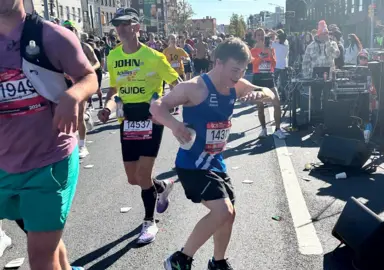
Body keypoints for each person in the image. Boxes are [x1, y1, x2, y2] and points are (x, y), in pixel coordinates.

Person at [150, 37, 279, 270]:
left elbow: (269, 91)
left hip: (216, 163)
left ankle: (218, 263)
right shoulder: (194, 87)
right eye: (234, 70)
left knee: (229, 214)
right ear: (218, 62)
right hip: (192, 164)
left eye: (242, 70)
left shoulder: (235, 86)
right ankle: (180, 259)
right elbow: (157, 106)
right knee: (223, 210)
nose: (238, 76)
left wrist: (260, 94)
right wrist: (175, 125)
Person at [0, 0, 98, 268]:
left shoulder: (51, 35)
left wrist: (73, 95)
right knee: (43, 241)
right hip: (3, 164)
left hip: (49, 161)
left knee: (41, 256)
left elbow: (89, 76)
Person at [97, 7, 179, 245]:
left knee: (143, 174)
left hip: (151, 118)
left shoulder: (155, 57)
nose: (120, 29)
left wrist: (166, 107)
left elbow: (178, 85)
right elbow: (115, 91)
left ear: (136, 27)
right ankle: (162, 187)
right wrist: (106, 108)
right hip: (127, 119)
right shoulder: (113, 57)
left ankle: (149, 221)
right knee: (134, 178)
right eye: (117, 25)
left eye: (125, 24)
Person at [63, 20, 100, 159]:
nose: (68, 31)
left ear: (75, 31)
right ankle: (86, 116)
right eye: (66, 29)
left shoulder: (85, 47)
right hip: (65, 83)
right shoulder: (58, 47)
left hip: (81, 82)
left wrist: (87, 71)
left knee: (78, 115)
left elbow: (97, 63)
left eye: (71, 28)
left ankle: (82, 146)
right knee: (68, 114)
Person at [251, 28, 286, 139]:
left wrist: (271, 56)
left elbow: (274, 65)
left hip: (269, 79)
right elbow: (253, 65)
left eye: (262, 35)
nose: (261, 37)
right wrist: (259, 58)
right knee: (260, 107)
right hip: (258, 80)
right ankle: (263, 130)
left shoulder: (270, 49)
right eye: (259, 35)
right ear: (255, 37)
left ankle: (277, 129)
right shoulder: (253, 51)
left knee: (277, 103)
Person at [86, 37, 105, 109]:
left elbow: (99, 62)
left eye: (91, 44)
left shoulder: (96, 51)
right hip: (88, 71)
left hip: (97, 71)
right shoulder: (84, 51)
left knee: (98, 88)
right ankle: (90, 103)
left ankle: (100, 102)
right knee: (88, 88)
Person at [271, 29, 289, 100]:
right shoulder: (286, 43)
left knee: (274, 81)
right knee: (283, 82)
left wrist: (273, 34)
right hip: (284, 65)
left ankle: (275, 95)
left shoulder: (276, 44)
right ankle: (284, 97)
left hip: (277, 66)